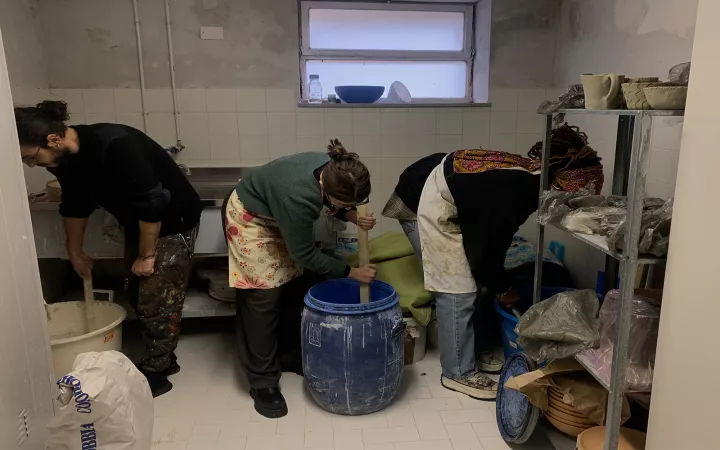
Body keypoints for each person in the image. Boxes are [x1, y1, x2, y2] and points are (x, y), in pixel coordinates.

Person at [382, 124, 604, 400]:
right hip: (423, 198)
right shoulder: (518, 191)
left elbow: (493, 241)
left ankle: (470, 350)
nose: (573, 202)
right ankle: (457, 373)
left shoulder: (534, 175)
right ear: (561, 185)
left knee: (476, 281)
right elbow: (485, 250)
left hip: (443, 184)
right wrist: (502, 287)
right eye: (575, 195)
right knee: (457, 290)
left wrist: (496, 281)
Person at [14, 101, 202, 397]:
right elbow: (75, 203)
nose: (31, 165)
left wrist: (147, 256)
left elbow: (153, 202)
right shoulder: (63, 160)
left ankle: (157, 372)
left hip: (172, 219)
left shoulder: (116, 145)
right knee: (136, 290)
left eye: (31, 157)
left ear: (53, 139)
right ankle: (164, 356)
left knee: (157, 296)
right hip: (139, 221)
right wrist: (74, 252)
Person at [224, 139, 377, 418]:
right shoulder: (297, 195)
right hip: (251, 218)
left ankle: (288, 355)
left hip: (279, 215)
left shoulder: (335, 168)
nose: (351, 206)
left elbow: (331, 206)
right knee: (263, 297)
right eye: (346, 203)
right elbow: (305, 253)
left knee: (295, 285)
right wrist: (352, 272)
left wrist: (352, 215)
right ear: (324, 189)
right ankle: (262, 382)